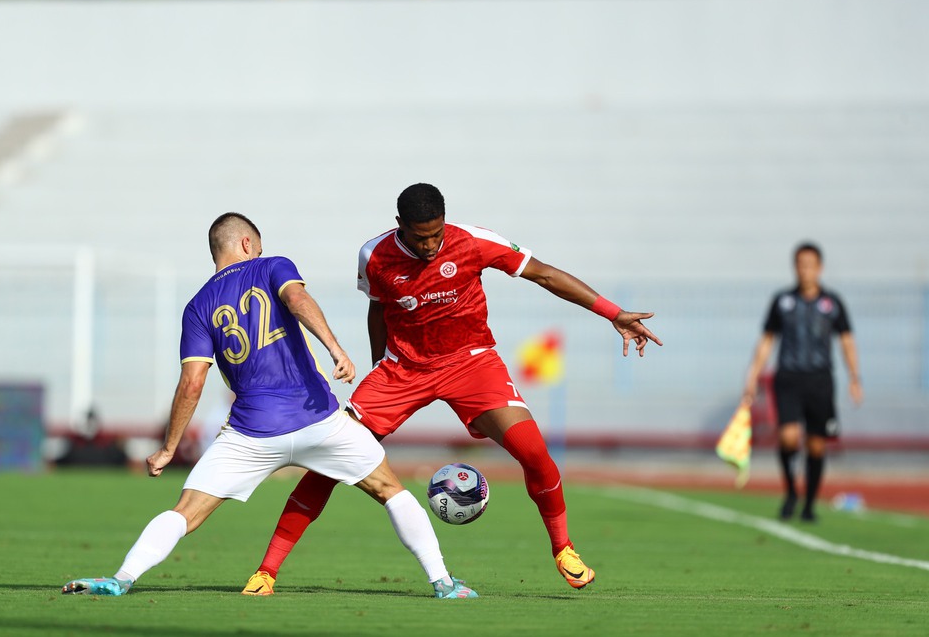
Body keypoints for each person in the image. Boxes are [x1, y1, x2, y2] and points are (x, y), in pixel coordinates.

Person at [248, 183, 662, 594]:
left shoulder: (475, 242)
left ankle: (563, 548)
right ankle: (266, 571)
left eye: (436, 234)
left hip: (471, 363)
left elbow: (546, 275)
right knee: (329, 461)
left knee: (534, 452)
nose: (430, 246)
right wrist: (379, 365)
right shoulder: (373, 255)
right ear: (400, 226)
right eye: (419, 236)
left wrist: (614, 313)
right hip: (402, 371)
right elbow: (379, 306)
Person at [61, 212, 476, 600]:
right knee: (391, 490)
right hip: (318, 420)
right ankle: (442, 582)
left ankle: (121, 579)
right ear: (247, 243)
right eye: (256, 246)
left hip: (249, 434)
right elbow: (297, 301)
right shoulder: (272, 265)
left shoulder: (198, 307)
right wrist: (335, 349)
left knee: (185, 512)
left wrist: (169, 448)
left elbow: (192, 382)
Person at [742, 242, 863, 522]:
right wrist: (752, 375)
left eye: (810, 265)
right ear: (794, 267)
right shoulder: (783, 301)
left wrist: (855, 377)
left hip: (820, 380)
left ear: (819, 268)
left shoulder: (832, 304)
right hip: (789, 378)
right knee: (787, 437)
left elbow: (846, 340)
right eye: (800, 264)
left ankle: (809, 504)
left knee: (817, 444)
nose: (805, 270)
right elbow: (767, 340)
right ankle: (791, 492)